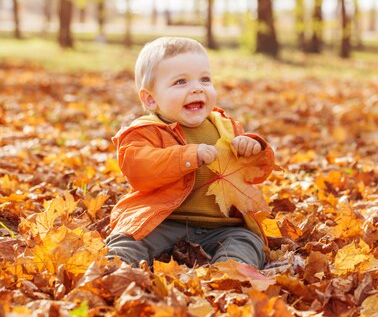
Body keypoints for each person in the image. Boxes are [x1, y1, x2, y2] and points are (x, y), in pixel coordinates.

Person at [105, 37, 273, 269]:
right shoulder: (145, 131)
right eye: (180, 82)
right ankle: (114, 272)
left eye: (205, 79)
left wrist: (254, 147)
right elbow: (139, 170)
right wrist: (186, 156)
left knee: (246, 242)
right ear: (151, 99)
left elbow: (255, 174)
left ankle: (230, 274)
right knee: (129, 241)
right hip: (162, 222)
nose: (197, 88)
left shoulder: (226, 127)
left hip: (222, 227)